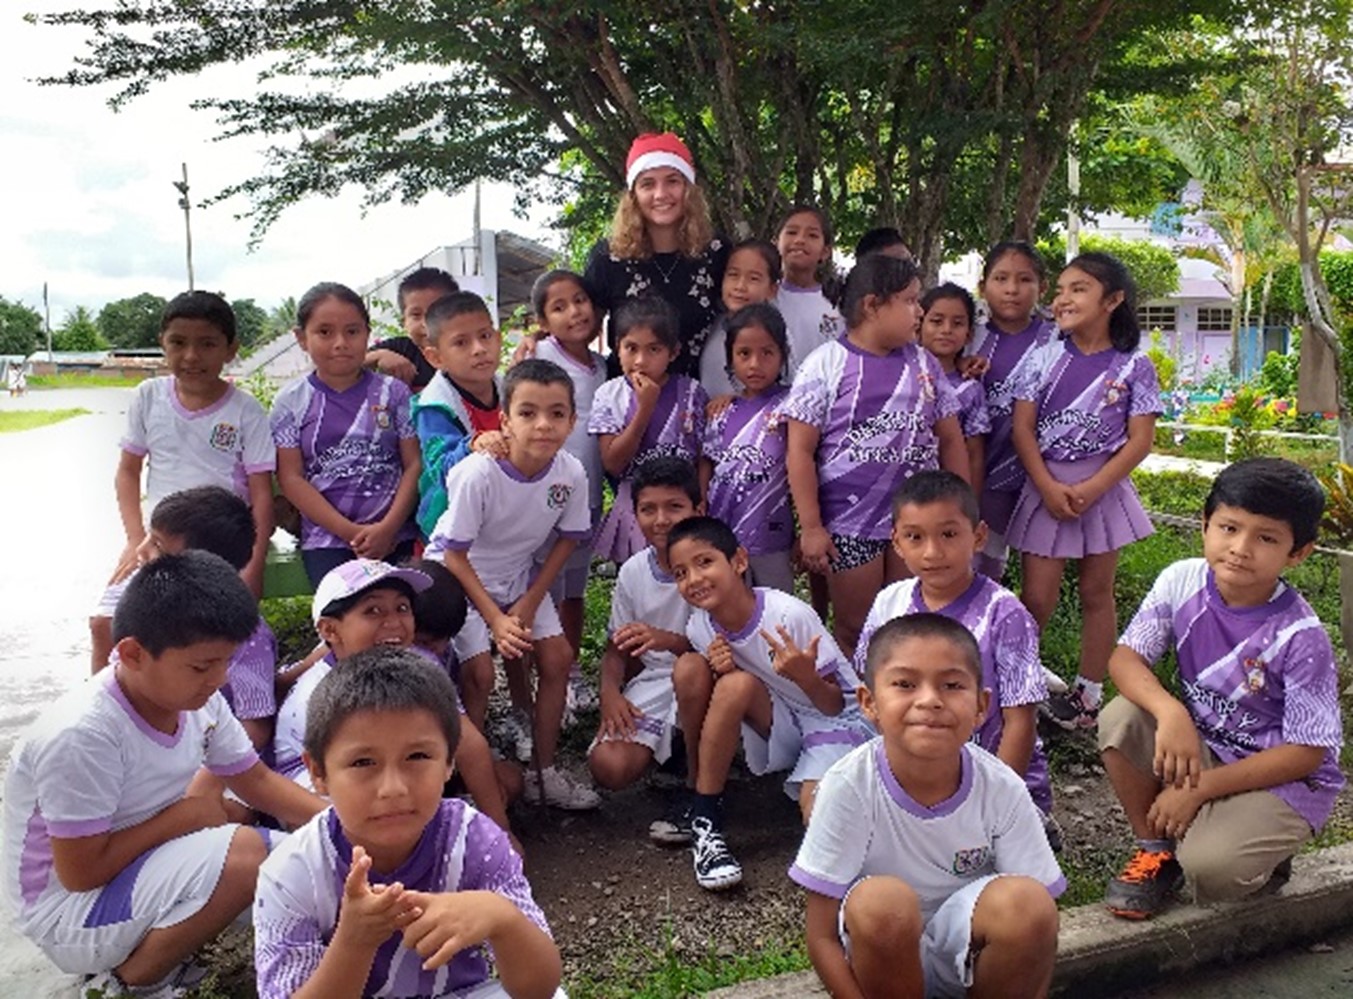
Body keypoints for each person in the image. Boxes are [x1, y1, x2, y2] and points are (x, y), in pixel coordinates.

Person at [1, 552, 325, 994]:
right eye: (201, 666)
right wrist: (187, 817)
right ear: (132, 653)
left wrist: (346, 827)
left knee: (303, 866)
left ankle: (159, 948)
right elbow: (80, 873)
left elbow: (257, 781)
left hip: (132, 868)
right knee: (248, 858)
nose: (218, 679)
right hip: (68, 914)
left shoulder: (194, 700)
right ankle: (128, 984)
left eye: (226, 662)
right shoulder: (83, 734)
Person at [1099, 458, 1345, 920]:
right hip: (1208, 746)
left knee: (1212, 872)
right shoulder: (1183, 580)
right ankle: (1156, 851)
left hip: (1282, 778)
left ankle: (1265, 854)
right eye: (1229, 528)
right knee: (1122, 718)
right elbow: (1125, 659)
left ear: (1298, 553)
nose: (1240, 548)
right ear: (1205, 525)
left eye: (1266, 538)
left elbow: (1307, 753)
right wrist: (1171, 713)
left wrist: (1198, 790)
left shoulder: (1300, 636)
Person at [253, 648, 562, 999]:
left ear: (449, 761)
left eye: (417, 756)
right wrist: (354, 941)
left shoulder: (473, 841)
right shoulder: (294, 872)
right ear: (318, 772)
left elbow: (541, 989)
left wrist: (500, 917)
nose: (393, 788)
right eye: (363, 762)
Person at [791, 614, 1063, 999]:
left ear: (982, 706)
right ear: (869, 702)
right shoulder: (848, 785)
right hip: (881, 965)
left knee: (1029, 904)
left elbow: (1040, 929)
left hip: (970, 959)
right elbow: (821, 937)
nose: (930, 700)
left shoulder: (1001, 786)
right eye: (905, 684)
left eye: (952, 685)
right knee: (881, 904)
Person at [427, 359, 600, 810]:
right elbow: (454, 554)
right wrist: (496, 619)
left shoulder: (571, 472)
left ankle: (544, 773)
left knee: (558, 657)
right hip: (458, 579)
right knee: (480, 674)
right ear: (504, 420)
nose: (543, 425)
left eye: (556, 413)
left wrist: (527, 603)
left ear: (572, 421)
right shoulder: (479, 473)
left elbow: (567, 540)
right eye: (528, 413)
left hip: (518, 576)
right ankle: (467, 784)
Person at [669, 516, 874, 891]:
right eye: (680, 573)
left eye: (704, 562)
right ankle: (705, 817)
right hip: (784, 718)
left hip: (836, 723)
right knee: (731, 684)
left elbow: (834, 706)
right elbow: (738, 693)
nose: (694, 579)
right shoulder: (700, 627)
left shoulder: (786, 616)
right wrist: (721, 670)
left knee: (820, 818)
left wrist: (805, 675)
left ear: (739, 561)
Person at [783, 254, 968, 657]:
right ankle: (856, 696)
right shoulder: (825, 365)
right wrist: (811, 527)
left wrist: (961, 509)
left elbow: (952, 439)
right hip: (849, 525)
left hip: (917, 521)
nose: (919, 311)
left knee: (910, 624)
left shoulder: (925, 365)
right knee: (855, 628)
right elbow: (799, 451)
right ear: (872, 305)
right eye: (910, 300)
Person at [1006, 252, 1161, 730]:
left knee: (1098, 592)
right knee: (1036, 598)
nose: (1063, 299)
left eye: (1079, 289)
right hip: (1045, 489)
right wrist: (1048, 486)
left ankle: (1087, 698)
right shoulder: (1043, 357)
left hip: (1104, 491)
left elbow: (1140, 440)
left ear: (1112, 300)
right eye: (1060, 290)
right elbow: (1022, 429)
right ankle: (1015, 686)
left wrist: (1093, 488)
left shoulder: (1135, 365)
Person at [854, 472, 1053, 833]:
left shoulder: (1003, 614)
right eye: (915, 537)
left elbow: (1020, 720)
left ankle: (1031, 828)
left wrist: (995, 807)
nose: (932, 552)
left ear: (978, 536)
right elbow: (874, 699)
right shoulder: (889, 603)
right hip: (915, 778)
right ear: (896, 542)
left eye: (948, 534)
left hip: (995, 785)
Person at [273, 559, 519, 842]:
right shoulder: (329, 692)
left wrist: (499, 832)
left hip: (377, 780)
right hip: (318, 803)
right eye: (373, 610)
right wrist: (499, 834)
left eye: (402, 608)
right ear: (330, 631)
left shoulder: (409, 661)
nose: (393, 622)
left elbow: (468, 747)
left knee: (508, 780)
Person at [89, 486, 278, 754]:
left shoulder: (245, 636)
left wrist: (202, 772)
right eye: (149, 537)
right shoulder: (145, 602)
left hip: (213, 758)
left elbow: (255, 725)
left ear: (203, 564)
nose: (141, 551)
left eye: (157, 545)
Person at [114, 291, 275, 596]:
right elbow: (128, 471)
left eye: (207, 344)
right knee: (106, 618)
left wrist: (254, 564)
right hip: (158, 539)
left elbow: (261, 493)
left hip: (222, 542)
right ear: (163, 343)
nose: (191, 356)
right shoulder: (148, 396)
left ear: (231, 350)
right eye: (178, 342)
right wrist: (134, 539)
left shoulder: (245, 410)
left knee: (211, 617)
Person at [271, 282, 421, 587]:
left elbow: (414, 464)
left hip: (396, 536)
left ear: (367, 334)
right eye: (324, 332)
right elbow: (291, 478)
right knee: (344, 612)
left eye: (352, 331)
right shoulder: (291, 401)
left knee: (405, 608)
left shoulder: (394, 393)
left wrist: (387, 529)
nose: (340, 343)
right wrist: (351, 533)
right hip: (327, 541)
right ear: (301, 338)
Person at [588, 457, 699, 796]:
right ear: (634, 514)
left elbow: (729, 648)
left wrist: (668, 640)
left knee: (691, 670)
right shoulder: (633, 571)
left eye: (674, 507)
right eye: (648, 509)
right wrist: (610, 693)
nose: (661, 520)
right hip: (655, 681)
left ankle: (701, 780)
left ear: (698, 509)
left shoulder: (713, 564)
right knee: (609, 765)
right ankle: (671, 749)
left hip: (708, 679)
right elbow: (616, 649)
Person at [527, 270, 608, 712]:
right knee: (542, 592)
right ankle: (545, 679)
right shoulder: (538, 357)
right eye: (559, 307)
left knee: (573, 592)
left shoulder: (604, 367)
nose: (574, 312)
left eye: (580, 300)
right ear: (543, 321)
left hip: (586, 500)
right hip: (542, 503)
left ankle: (571, 673)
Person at [584, 132, 728, 374]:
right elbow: (580, 327)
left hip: (698, 392)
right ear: (633, 195)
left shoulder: (716, 251)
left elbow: (748, 311)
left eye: (672, 181)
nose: (661, 194)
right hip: (627, 392)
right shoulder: (607, 257)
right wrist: (540, 338)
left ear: (688, 189)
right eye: (648, 184)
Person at [588, 296, 708, 565]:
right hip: (634, 511)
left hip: (682, 508)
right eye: (631, 348)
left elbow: (703, 456)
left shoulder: (692, 393)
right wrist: (645, 409)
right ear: (617, 347)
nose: (640, 361)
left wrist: (700, 501)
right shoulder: (609, 395)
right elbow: (613, 463)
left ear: (673, 352)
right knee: (639, 577)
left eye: (654, 349)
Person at [966, 242, 1057, 580]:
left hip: (1042, 479)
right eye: (1001, 278)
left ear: (1042, 288)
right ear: (983, 286)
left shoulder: (1058, 339)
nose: (1012, 289)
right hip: (984, 477)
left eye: (1024, 279)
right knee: (983, 572)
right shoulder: (968, 337)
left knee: (1039, 585)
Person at [699, 302, 795, 593]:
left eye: (766, 353)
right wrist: (701, 503)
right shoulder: (721, 412)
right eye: (744, 353)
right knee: (728, 601)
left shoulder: (792, 408)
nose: (755, 364)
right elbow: (707, 461)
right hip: (724, 533)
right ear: (730, 357)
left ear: (782, 355)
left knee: (776, 605)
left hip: (772, 534)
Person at [411, 290, 507, 538]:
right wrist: (472, 445)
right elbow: (442, 470)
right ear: (435, 357)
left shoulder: (510, 388)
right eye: (461, 343)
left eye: (485, 336)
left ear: (498, 339)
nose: (479, 349)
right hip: (449, 523)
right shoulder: (434, 406)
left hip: (498, 513)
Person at [920, 284, 990, 494]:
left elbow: (974, 454)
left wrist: (970, 504)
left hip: (948, 494)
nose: (946, 330)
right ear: (919, 325)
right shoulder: (904, 376)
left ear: (969, 334)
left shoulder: (970, 389)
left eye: (957, 323)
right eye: (936, 321)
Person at [697, 238, 782, 398]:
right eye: (733, 275)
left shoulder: (774, 333)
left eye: (753, 278)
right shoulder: (712, 324)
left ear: (772, 289)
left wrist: (736, 400)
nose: (740, 286)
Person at [775, 205, 845, 378]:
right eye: (792, 232)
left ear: (825, 252)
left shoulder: (837, 303)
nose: (800, 240)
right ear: (776, 242)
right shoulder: (766, 298)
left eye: (812, 235)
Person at [365, 266, 459, 391]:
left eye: (436, 312)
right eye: (416, 315)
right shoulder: (401, 348)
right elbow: (349, 364)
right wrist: (380, 355)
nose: (426, 323)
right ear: (403, 322)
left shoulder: (468, 350)